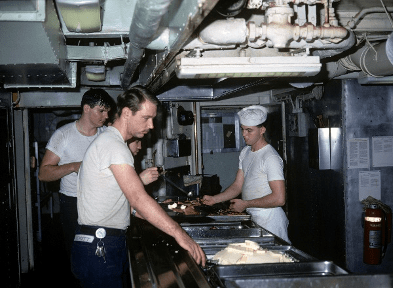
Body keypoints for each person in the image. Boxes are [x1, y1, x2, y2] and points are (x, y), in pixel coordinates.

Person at [71, 86, 206, 288]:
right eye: (146, 118)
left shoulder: (110, 142)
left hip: (99, 243)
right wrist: (179, 233)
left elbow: (128, 204)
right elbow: (138, 199)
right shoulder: (114, 146)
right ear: (126, 113)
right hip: (101, 246)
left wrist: (165, 217)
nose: (151, 125)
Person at [38, 88, 113, 257]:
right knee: (78, 251)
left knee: (102, 250)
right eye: (101, 111)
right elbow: (43, 173)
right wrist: (73, 166)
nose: (106, 116)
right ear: (86, 108)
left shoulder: (107, 135)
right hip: (73, 202)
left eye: (107, 112)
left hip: (102, 200)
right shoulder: (63, 135)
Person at [203, 105, 291, 244]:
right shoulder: (245, 152)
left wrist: (245, 203)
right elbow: (238, 186)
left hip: (270, 221)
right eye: (243, 129)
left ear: (262, 130)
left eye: (249, 130)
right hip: (253, 217)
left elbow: (279, 198)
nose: (244, 134)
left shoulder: (270, 157)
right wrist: (215, 199)